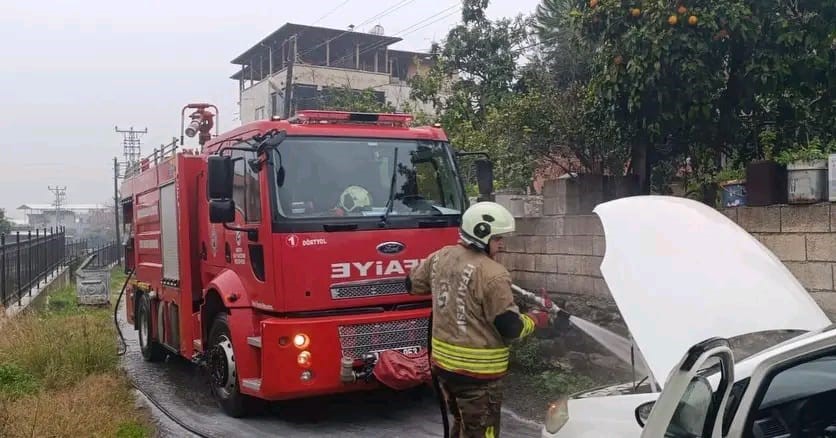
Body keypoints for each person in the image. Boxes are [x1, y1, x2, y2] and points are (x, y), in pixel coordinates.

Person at [405, 201, 565, 438]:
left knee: (460, 426)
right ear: (482, 234)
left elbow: (411, 285)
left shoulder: (440, 257)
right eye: (498, 238)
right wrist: (537, 319)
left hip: (445, 370)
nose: (502, 244)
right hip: (478, 378)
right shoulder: (494, 273)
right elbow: (510, 327)